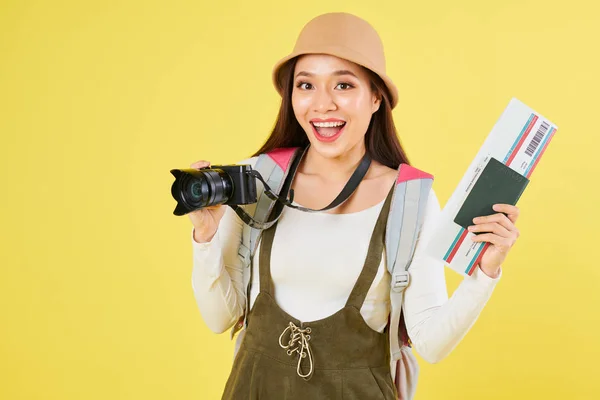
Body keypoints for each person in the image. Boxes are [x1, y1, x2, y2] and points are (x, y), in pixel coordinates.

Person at [188, 12, 520, 400]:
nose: (322, 104)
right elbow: (219, 319)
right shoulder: (260, 179)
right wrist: (206, 236)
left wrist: (486, 272)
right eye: (306, 84)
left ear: (376, 97)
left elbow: (430, 342)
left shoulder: (409, 198)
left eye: (343, 85)